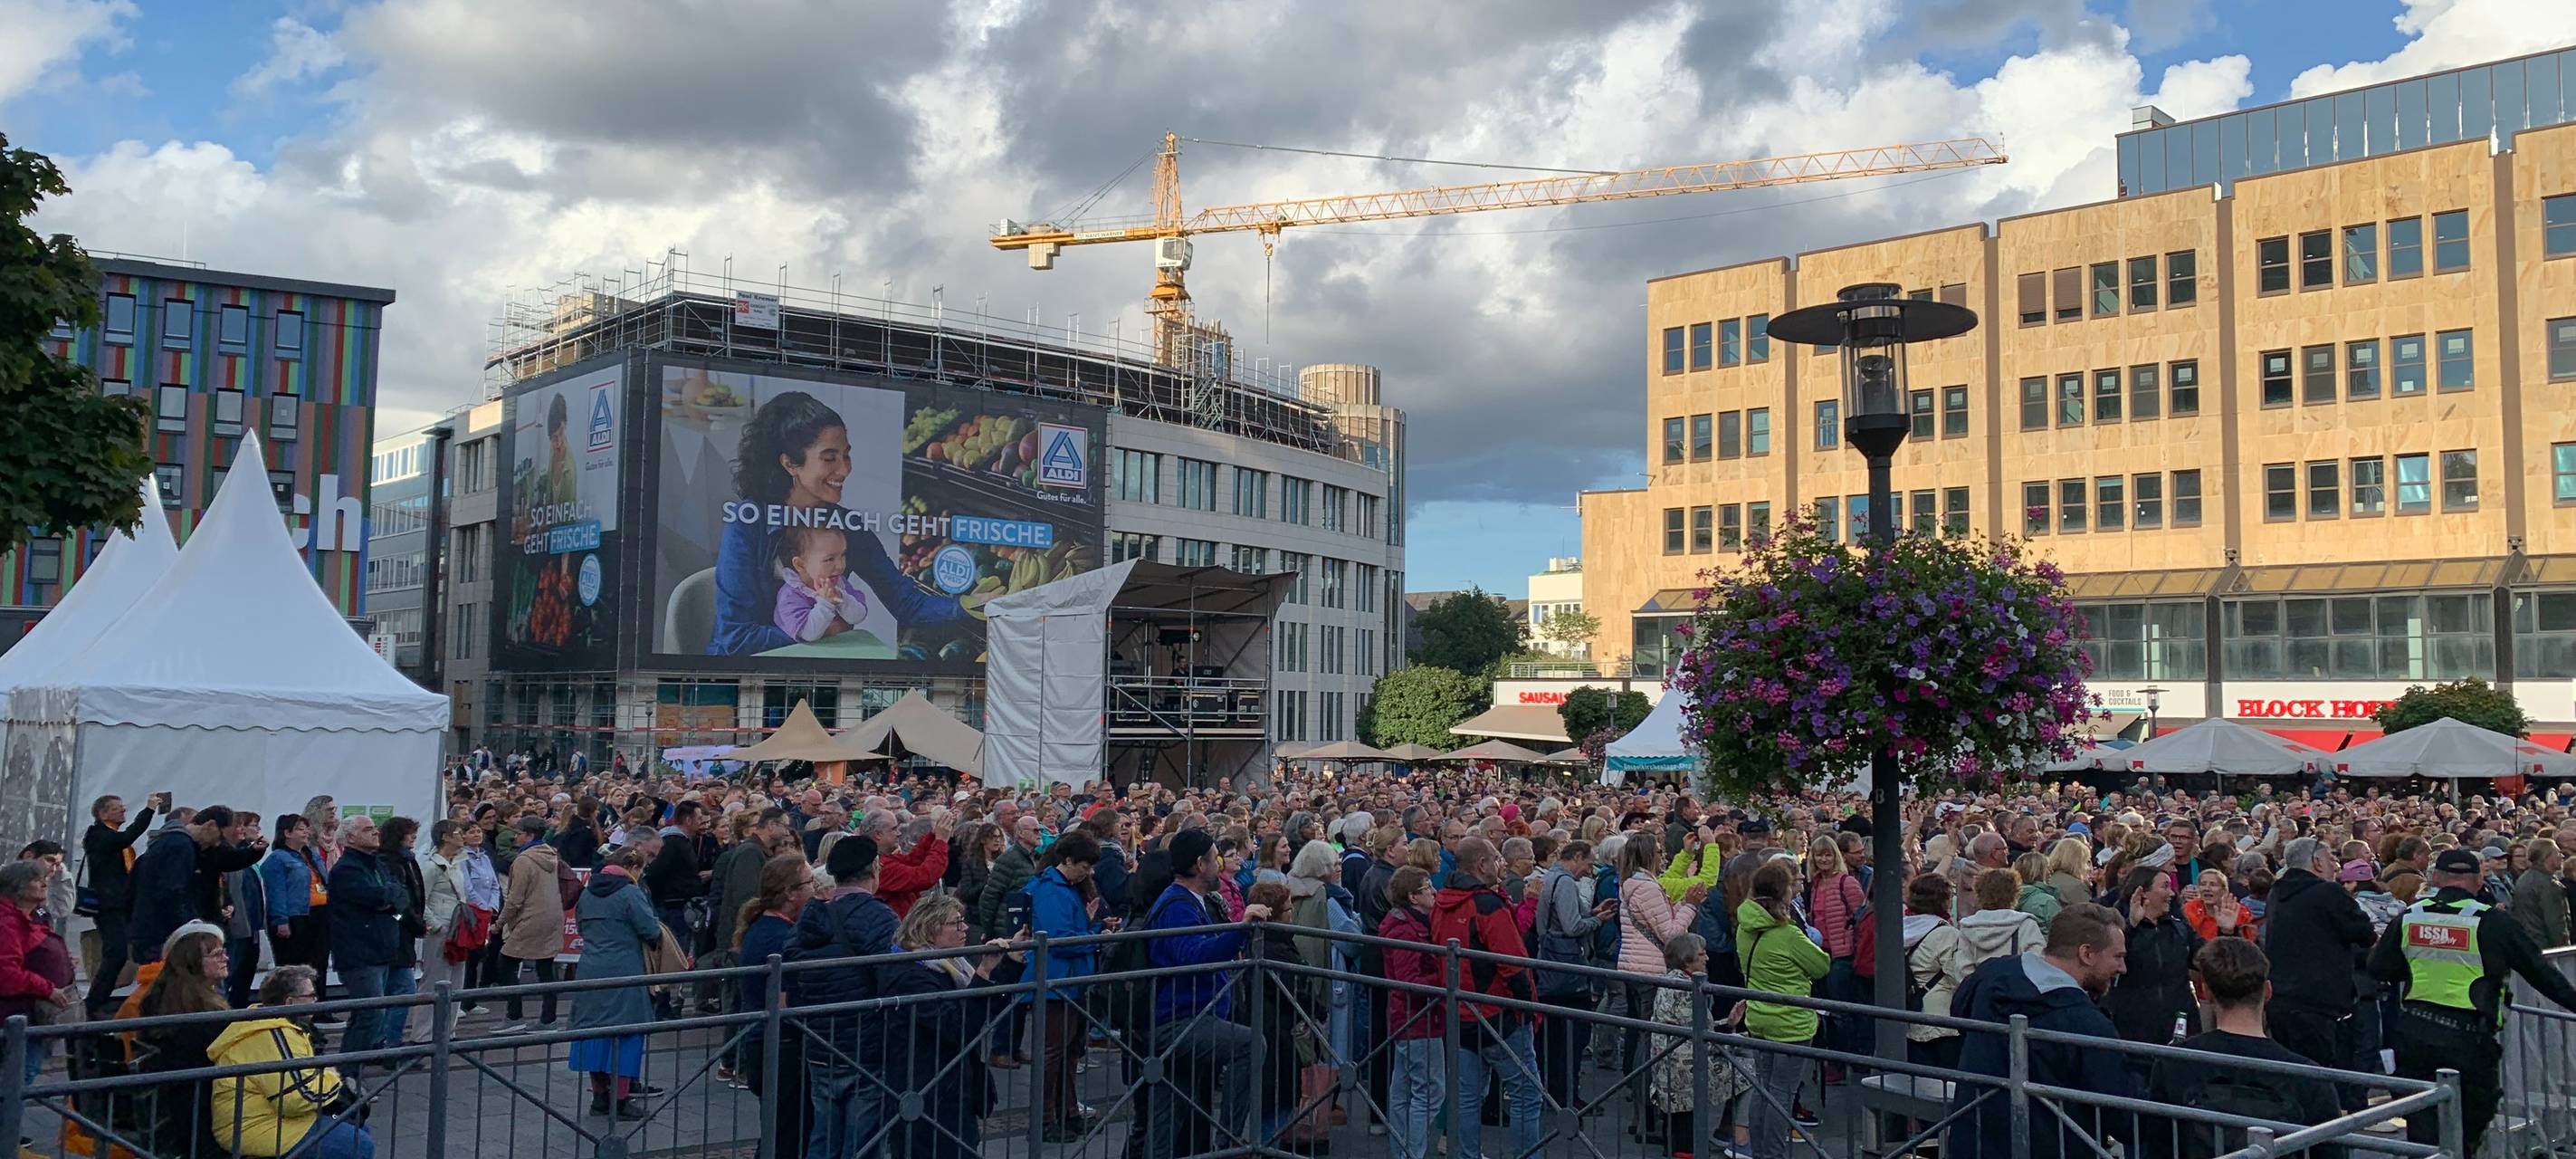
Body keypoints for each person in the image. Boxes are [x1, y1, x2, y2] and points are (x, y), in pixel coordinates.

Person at [709, 389, 968, 656]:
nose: (844, 469)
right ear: (790, 464)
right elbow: (735, 638)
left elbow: (907, 604)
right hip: (740, 679)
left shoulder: (850, 526)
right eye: (829, 458)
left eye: (846, 455)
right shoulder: (748, 522)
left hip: (817, 674)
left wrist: (972, 606)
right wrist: (823, 630)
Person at [2370, 846, 2576, 1155]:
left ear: (2437, 878)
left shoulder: (2410, 916)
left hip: (2413, 1034)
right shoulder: (2491, 921)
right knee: (2468, 1130)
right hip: (2467, 1039)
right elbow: (2541, 974)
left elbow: (2380, 967)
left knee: (2423, 1129)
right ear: (2479, 881)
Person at [1947, 903, 2136, 1159]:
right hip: (2051, 1146)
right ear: (2087, 954)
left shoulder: (1990, 975)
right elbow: (2124, 1115)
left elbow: (1959, 1013)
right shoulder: (2086, 1023)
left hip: (1976, 1142)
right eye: (2118, 957)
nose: (2123, 968)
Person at [2142, 938, 2347, 1159]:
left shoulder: (2174, 1064)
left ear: (2206, 992)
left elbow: (2158, 1146)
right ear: (2267, 991)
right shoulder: (2308, 1076)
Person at [1141, 829, 1268, 1159]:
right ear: (1200, 865)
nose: (1221, 865)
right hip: (1179, 1020)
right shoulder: (1177, 905)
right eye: (1216, 858)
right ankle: (1229, 1144)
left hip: (1194, 1014)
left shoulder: (1192, 901)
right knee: (1252, 1044)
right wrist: (1240, 929)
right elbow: (1194, 955)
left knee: (1168, 1119)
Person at [877, 894, 1019, 1159]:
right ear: (930, 928)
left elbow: (985, 1009)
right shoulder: (911, 973)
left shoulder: (951, 965)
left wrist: (1009, 963)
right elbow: (958, 1026)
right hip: (928, 1090)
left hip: (951, 1085)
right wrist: (984, 973)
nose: (965, 928)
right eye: (956, 923)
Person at [1432, 835, 1544, 1159]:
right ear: (1481, 865)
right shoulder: (1486, 905)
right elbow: (1513, 963)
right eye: (1496, 858)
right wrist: (1527, 1008)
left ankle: (1465, 1155)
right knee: (1526, 1095)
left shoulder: (1443, 900)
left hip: (1461, 1010)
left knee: (1467, 1097)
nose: (1502, 864)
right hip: (1495, 1013)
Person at [792, 835, 901, 1157]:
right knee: (863, 1140)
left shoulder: (812, 916)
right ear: (874, 870)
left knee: (824, 1135)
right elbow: (893, 976)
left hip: (820, 1040)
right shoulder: (878, 916)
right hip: (865, 1043)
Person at [208, 965, 377, 1159]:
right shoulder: (273, 1032)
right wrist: (334, 1079)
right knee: (358, 1144)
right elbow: (297, 1098)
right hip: (254, 1127)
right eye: (311, 995)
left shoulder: (277, 1024)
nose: (316, 1001)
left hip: (269, 1118)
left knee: (358, 1126)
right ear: (290, 1002)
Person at [1737, 856, 1829, 1159]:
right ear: (1783, 893)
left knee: (1764, 1089)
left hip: (1759, 1016)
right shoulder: (1787, 934)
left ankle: (1760, 1151)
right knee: (1780, 1093)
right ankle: (1772, 1154)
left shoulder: (1744, 928)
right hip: (1791, 1023)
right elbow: (1821, 965)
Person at [2261, 837, 2377, 1071]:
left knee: (2293, 1074)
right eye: (2331, 859)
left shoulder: (2277, 892)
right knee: (2321, 1078)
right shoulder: (2328, 892)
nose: (2336, 866)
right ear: (2316, 862)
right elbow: (2365, 933)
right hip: (2319, 1004)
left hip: (2282, 1000)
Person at [569, 846, 666, 1119]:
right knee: (626, 1035)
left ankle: (599, 1097)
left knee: (592, 1033)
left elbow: (580, 927)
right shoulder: (630, 892)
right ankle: (621, 1101)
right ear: (633, 868)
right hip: (625, 968)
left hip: (590, 968)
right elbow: (650, 929)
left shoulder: (587, 893)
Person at [1026, 829, 1106, 1143]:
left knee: (1069, 1051)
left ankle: (1066, 1110)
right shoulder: (1052, 890)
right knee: (1053, 1052)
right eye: (1085, 866)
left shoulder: (1064, 888)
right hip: (1057, 980)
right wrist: (1093, 939)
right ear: (1069, 861)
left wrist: (1092, 929)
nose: (1089, 872)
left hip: (1069, 978)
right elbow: (1058, 939)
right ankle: (1046, 1117)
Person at [735, 854, 814, 1151]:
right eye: (809, 883)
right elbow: (783, 1000)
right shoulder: (780, 937)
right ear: (791, 893)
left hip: (766, 1042)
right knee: (787, 1133)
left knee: (780, 1129)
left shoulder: (765, 927)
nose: (815, 890)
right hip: (780, 1046)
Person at [132, 922, 232, 1155]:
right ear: (192, 961)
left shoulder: (163, 997)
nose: (225, 958)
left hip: (175, 1108)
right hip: (200, 1118)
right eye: (217, 954)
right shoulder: (203, 1013)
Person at [1649, 932, 1750, 1157]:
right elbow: (1701, 1036)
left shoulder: (1674, 980)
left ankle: (1726, 1131)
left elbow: (1695, 1028)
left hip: (1671, 1067)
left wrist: (1729, 1023)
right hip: (1686, 1070)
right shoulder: (1686, 988)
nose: (1707, 959)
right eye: (1702, 954)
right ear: (1687, 960)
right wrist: (1732, 1038)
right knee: (1749, 1071)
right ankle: (1739, 1136)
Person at [1531, 839, 1612, 1109]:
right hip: (1565, 968)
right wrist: (1597, 920)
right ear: (1576, 857)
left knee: (1556, 1036)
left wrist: (1593, 912)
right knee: (1571, 1037)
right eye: (1588, 864)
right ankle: (1566, 1095)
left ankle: (1555, 1092)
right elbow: (1572, 926)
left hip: (1552, 962)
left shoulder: (1552, 878)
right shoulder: (1563, 882)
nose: (1589, 871)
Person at [324, 817, 409, 1059]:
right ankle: (349, 1071)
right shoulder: (347, 869)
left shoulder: (377, 864)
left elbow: (400, 897)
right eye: (368, 829)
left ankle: (349, 1073)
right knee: (369, 1014)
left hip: (381, 950)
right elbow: (376, 897)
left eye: (375, 828)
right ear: (350, 838)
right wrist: (388, 899)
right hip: (360, 954)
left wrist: (391, 901)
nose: (375, 833)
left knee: (367, 1015)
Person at [1378, 866, 1444, 1159]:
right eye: (1428, 888)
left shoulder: (1407, 923)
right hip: (1418, 1017)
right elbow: (1408, 981)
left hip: (1409, 1016)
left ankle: (1404, 1151)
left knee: (1404, 1092)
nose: (1434, 892)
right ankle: (1411, 1153)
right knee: (1428, 1092)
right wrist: (1443, 978)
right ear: (1413, 897)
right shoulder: (1406, 928)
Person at [2104, 864, 2202, 1051]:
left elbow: (2207, 960)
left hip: (2179, 1026)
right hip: (2134, 1029)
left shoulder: (2179, 929)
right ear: (2143, 893)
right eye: (2165, 887)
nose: (2172, 893)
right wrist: (2131, 926)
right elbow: (2110, 961)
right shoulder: (2115, 926)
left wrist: (2227, 931)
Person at [80, 790, 161, 1014]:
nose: (124, 810)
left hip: (123, 903)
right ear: (103, 814)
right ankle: (94, 1002)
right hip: (110, 905)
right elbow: (128, 837)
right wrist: (149, 810)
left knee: (132, 948)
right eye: (117, 808)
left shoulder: (112, 837)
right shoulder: (99, 836)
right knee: (115, 953)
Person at [0, 860, 77, 1082]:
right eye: (36, 880)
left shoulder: (31, 915)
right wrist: (48, 989)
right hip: (17, 1015)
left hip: (30, 1014)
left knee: (24, 1075)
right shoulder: (7, 922)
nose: (44, 883)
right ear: (18, 887)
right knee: (17, 1079)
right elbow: (6, 973)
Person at [130, 805, 237, 964]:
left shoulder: (169, 842)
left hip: (151, 929)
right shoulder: (181, 846)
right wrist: (193, 928)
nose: (217, 844)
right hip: (163, 934)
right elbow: (173, 893)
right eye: (220, 837)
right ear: (210, 825)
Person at [496, 817, 568, 1030]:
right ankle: (548, 1019)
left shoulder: (523, 860)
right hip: (552, 915)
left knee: (506, 962)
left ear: (529, 835)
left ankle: (514, 1016)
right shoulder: (552, 855)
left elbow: (515, 899)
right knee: (546, 966)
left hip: (530, 917)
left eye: (518, 833)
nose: (515, 837)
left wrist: (499, 923)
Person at [259, 815, 331, 998]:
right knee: (297, 967)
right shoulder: (278, 859)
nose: (306, 832)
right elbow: (276, 892)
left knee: (319, 964)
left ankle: (320, 1007)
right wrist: (280, 920)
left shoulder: (311, 855)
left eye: (306, 828)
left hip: (319, 914)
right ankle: (294, 1007)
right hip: (295, 916)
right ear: (287, 833)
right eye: (300, 829)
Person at [1903, 872, 1970, 1068]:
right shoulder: (1945, 933)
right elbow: (1959, 975)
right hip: (1942, 1019)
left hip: (1911, 1012)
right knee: (1944, 1082)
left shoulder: (1902, 926)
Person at [218, 811, 268, 1008]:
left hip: (252, 926)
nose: (257, 829)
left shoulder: (249, 858)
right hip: (236, 927)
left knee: (245, 977)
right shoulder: (230, 856)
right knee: (230, 975)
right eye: (252, 825)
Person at [2512, 836, 2570, 950]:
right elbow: (2555, 924)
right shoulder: (2548, 884)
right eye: (2557, 853)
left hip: (2529, 944)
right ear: (2546, 857)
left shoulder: (2525, 878)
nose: (2562, 856)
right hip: (2547, 949)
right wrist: (2565, 950)